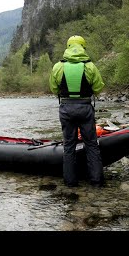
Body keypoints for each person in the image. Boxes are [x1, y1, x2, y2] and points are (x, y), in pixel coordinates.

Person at [49, 35, 105, 187]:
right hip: (85, 108)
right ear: (83, 46)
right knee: (91, 144)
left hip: (66, 108)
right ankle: (96, 181)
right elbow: (98, 88)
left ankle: (70, 182)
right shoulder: (90, 66)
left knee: (69, 146)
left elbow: (54, 89)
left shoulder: (58, 67)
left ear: (67, 47)